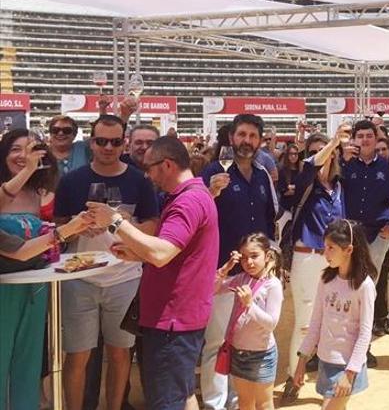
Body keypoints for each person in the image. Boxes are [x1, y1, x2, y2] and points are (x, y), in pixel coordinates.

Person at [86, 136, 219, 410]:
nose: (147, 175)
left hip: (173, 320)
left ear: (167, 165)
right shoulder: (192, 196)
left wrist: (115, 220)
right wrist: (135, 252)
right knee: (182, 396)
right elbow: (173, 254)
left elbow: (160, 254)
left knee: (167, 401)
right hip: (179, 317)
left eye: (150, 168)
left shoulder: (187, 201)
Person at [53, 115, 159, 410]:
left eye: (115, 141)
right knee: (76, 356)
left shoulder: (138, 180)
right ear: (92, 143)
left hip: (124, 277)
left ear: (124, 143)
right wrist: (77, 226)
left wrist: (128, 225)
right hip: (79, 277)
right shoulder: (73, 181)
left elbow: (153, 224)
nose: (108, 147)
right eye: (101, 141)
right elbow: (58, 225)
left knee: (120, 353)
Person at [200, 114, 277, 410]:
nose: (247, 141)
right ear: (231, 138)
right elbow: (198, 215)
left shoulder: (261, 175)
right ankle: (214, 402)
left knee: (244, 341)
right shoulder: (212, 172)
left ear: (259, 140)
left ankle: (236, 400)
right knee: (217, 341)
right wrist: (212, 192)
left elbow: (270, 221)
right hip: (224, 271)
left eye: (252, 136)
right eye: (242, 135)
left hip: (255, 274)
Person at [282, 128, 348, 402]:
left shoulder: (340, 188)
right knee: (305, 323)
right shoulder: (305, 182)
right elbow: (310, 166)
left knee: (334, 320)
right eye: (313, 152)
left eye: (329, 153)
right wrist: (332, 142)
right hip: (307, 256)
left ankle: (327, 380)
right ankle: (293, 377)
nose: (321, 157)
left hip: (334, 260)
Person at [0, 131, 63, 410]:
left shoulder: (39, 191)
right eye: (15, 149)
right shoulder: (8, 187)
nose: (23, 155)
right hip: (4, 287)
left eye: (30, 149)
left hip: (35, 284)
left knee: (29, 356)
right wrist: (26, 171)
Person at [293, 219, 376, 410]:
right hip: (326, 360)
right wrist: (301, 361)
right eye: (325, 247)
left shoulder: (364, 286)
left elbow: (365, 333)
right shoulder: (326, 279)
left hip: (347, 366)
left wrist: (350, 373)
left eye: (331, 248)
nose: (325, 253)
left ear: (349, 250)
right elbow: (315, 323)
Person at [340, 121, 389, 341]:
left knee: (369, 288)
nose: (365, 140)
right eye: (360, 136)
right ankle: (347, 334)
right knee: (346, 285)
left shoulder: (388, 167)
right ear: (354, 139)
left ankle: (364, 340)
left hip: (377, 236)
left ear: (375, 137)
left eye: (369, 135)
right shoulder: (345, 165)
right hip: (349, 236)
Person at [214, 233, 283, 410]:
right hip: (238, 352)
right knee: (244, 402)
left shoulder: (273, 285)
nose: (249, 262)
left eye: (254, 256)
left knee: (264, 404)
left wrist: (250, 305)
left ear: (267, 256)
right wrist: (226, 268)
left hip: (262, 355)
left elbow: (271, 324)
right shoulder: (242, 278)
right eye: (244, 258)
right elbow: (213, 289)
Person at [277, 143, 302, 210]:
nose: (293, 156)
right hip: (285, 208)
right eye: (291, 154)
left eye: (295, 154)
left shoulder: (301, 170)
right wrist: (297, 188)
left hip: (299, 208)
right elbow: (283, 191)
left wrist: (292, 187)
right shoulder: (282, 170)